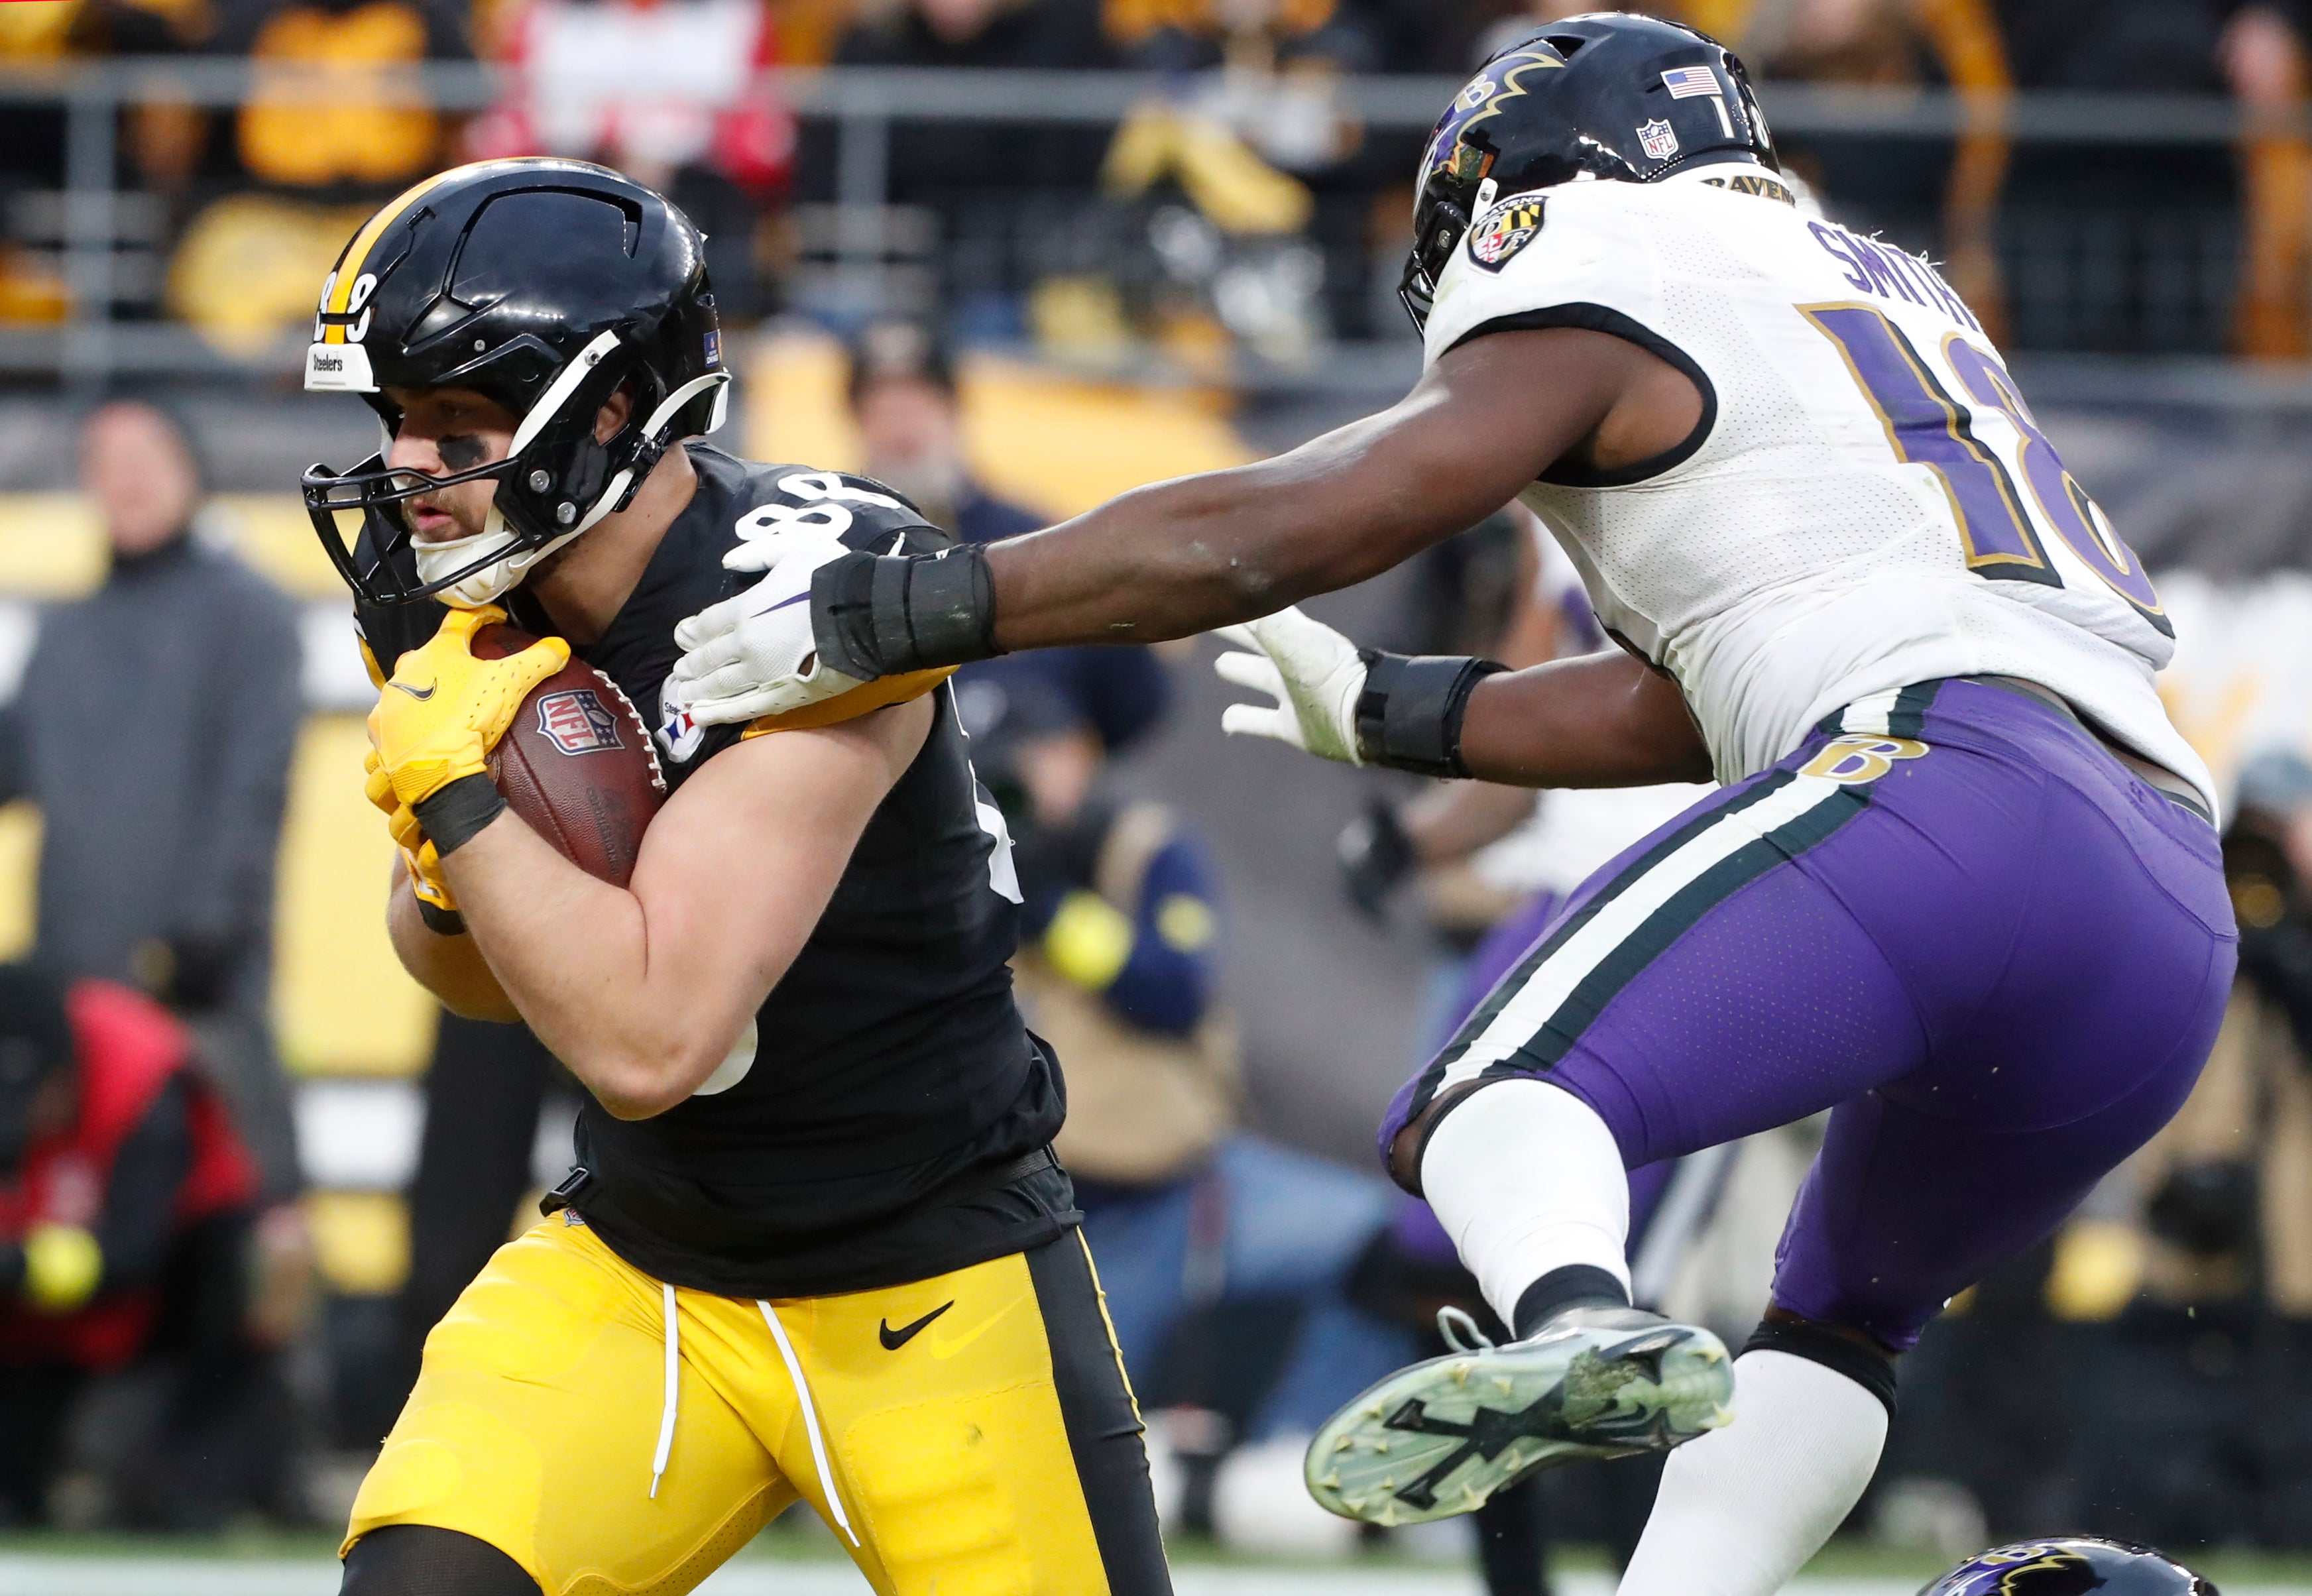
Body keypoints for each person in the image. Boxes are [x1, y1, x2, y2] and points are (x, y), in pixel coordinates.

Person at [660, 16, 2233, 1594]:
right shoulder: (1883, 287)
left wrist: (924, 602)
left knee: (1490, 1098)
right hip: (2162, 893)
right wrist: (1394, 709)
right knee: (1840, 1322)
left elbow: (1309, 518)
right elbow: (1704, 692)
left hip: (1953, 786)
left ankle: (1578, 1322)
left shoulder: (1612, 248)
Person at [298, 157, 1169, 1596]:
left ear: (610, 410)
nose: (405, 465)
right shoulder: (474, 586)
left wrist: (459, 790)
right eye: (395, 419)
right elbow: (468, 976)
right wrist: (455, 858)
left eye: (456, 422)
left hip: (928, 1281)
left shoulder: (813, 585)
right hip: (649, 1258)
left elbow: (651, 1038)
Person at [962, 656, 1413, 1446]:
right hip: (1019, 1206)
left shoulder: (1143, 850)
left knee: (1395, 1244)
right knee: (1046, 1429)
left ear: (1076, 752)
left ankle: (1313, 1454)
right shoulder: (960, 864)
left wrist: (1058, 914)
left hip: (1171, 1192)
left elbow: (1171, 991)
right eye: (990, 775)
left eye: (1025, 765)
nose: (1014, 792)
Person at [0, 401, 304, 1210]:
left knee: (241, 1206)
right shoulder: (66, 629)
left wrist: (203, 934)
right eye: (105, 461)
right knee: (91, 1217)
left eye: (145, 456)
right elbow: (17, 761)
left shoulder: (249, 613)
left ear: (190, 468)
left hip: (198, 980)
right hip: (74, 977)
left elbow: (252, 788)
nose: (126, 478)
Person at [0, 964, 264, 1525]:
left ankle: (190, 1481)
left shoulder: (143, 1073)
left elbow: (134, 1252)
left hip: (167, 1290)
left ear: (66, 1074)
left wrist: (18, 1265)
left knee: (255, 1271)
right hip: (32, 1318)